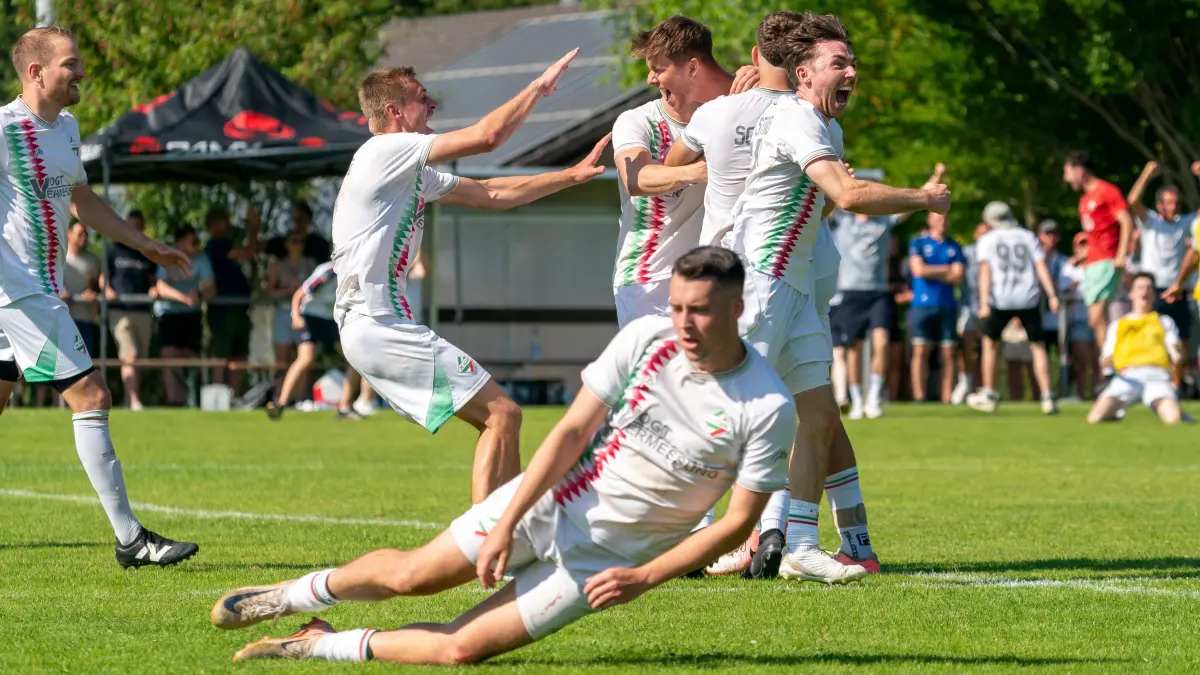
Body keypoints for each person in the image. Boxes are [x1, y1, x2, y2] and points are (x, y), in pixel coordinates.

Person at [211, 247, 798, 665]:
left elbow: (736, 523)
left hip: (601, 563)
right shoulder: (647, 339)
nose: (684, 324)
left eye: (699, 310)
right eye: (676, 307)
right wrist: (506, 519)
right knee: (413, 576)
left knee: (459, 649)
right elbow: (570, 433)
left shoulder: (768, 405)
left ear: (736, 308)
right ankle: (290, 597)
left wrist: (644, 577)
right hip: (547, 505)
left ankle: (316, 643)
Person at [727, 12, 949, 583]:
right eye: (838, 63)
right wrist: (923, 198)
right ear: (803, 74)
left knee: (820, 415)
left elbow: (822, 205)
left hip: (796, 288)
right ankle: (693, 531)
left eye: (853, 63)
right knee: (727, 415)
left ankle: (801, 544)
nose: (852, 72)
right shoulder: (796, 118)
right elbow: (848, 196)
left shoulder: (827, 127)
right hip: (762, 283)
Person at [330, 55, 607, 503]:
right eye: (422, 99)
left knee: (502, 417)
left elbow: (492, 193)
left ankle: (498, 533)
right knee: (503, 414)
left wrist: (570, 175)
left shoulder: (403, 169)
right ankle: (489, 535)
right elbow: (487, 137)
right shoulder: (386, 151)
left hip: (373, 326)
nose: (433, 106)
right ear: (394, 112)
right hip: (378, 324)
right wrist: (537, 87)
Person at [0, 26, 197, 566]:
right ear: (36, 72)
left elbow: (81, 201)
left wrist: (145, 244)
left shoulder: (66, 127)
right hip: (21, 294)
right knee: (91, 395)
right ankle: (132, 540)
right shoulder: (3, 129)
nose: (82, 73)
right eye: (71, 64)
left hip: (29, 293)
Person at [661, 11, 839, 576]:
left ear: (755, 55)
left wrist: (715, 163)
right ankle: (770, 532)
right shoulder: (819, 121)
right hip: (797, 266)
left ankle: (716, 532)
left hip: (739, 265)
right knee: (790, 408)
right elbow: (829, 201)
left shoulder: (717, 111)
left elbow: (666, 171)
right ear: (803, 64)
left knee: (745, 404)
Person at [610, 16, 741, 327]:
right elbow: (637, 178)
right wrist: (703, 171)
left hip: (713, 281)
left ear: (692, 68)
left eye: (658, 69)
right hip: (647, 282)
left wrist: (757, 75)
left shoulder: (737, 108)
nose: (650, 80)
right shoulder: (636, 121)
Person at [829, 164, 945, 420]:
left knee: (881, 342)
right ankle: (856, 399)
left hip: (878, 292)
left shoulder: (883, 221)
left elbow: (915, 201)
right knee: (853, 349)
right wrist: (838, 174)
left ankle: (874, 397)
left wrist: (936, 177)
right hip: (850, 292)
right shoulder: (842, 220)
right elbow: (827, 193)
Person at [964, 202, 1060, 414]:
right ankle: (1047, 396)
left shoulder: (988, 239)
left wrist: (983, 303)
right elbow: (1040, 266)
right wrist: (1052, 295)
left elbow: (985, 272)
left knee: (990, 342)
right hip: (1028, 297)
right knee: (1037, 346)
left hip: (1002, 298)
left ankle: (989, 392)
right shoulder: (1027, 236)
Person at [267, 261, 372, 420]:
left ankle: (344, 407)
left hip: (330, 319)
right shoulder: (329, 271)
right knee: (306, 359)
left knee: (354, 359)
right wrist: (296, 317)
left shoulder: (358, 275)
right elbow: (299, 294)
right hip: (309, 316)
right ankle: (280, 404)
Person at [1127, 160, 1195, 390]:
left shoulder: (1185, 223)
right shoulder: (1150, 222)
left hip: (1176, 289)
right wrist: (1147, 173)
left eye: (1176, 203)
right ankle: (1151, 384)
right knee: (1151, 338)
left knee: (1181, 341)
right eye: (1168, 203)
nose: (1173, 207)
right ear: (1159, 205)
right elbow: (1132, 201)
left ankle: (1175, 387)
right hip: (1153, 289)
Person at [1088, 273, 1186, 424]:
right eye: (1140, 288)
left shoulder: (1164, 321)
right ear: (1131, 293)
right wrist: (1108, 362)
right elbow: (1106, 358)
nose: (1144, 291)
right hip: (1127, 377)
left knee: (1174, 420)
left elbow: (1177, 355)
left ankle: (1170, 407)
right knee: (1095, 418)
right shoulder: (1117, 325)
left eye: (1148, 288)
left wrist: (1177, 352)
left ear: (1154, 294)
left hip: (1157, 377)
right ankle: (1116, 411)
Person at [1063, 151, 1134, 359]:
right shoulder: (1085, 200)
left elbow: (1126, 221)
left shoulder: (1107, 191)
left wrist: (1121, 255)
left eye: (1067, 172)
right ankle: (1113, 361)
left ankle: (1112, 364)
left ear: (1079, 171)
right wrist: (1082, 256)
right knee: (1096, 320)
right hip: (1092, 263)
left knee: (1096, 317)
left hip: (1107, 261)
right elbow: (1095, 233)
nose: (1066, 178)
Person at [152, 226, 215, 405]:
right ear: (180, 243)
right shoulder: (167, 257)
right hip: (169, 313)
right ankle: (174, 400)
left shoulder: (202, 259)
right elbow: (160, 286)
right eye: (192, 241)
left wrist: (199, 295)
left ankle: (191, 399)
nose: (196, 244)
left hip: (192, 315)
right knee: (169, 354)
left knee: (190, 355)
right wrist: (183, 298)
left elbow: (210, 288)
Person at [100, 209, 156, 410]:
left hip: (143, 311)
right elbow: (103, 278)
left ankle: (129, 400)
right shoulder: (113, 249)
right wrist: (107, 290)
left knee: (139, 359)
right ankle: (133, 400)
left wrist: (154, 289)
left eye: (139, 227)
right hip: (120, 311)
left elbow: (153, 280)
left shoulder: (146, 252)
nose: (135, 231)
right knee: (129, 356)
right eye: (131, 226)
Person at [908, 212, 964, 403]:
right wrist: (947, 269)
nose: (943, 221)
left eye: (946, 218)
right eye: (938, 217)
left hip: (947, 304)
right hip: (922, 305)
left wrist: (930, 270)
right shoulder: (918, 242)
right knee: (920, 350)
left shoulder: (954, 245)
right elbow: (918, 270)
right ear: (929, 220)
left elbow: (959, 276)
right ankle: (919, 396)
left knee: (948, 352)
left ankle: (947, 398)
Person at [203, 205, 260, 393]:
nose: (227, 225)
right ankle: (218, 395)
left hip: (240, 307)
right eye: (222, 221)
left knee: (239, 354)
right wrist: (253, 226)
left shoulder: (227, 243)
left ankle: (234, 396)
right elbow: (249, 251)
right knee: (221, 353)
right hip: (223, 309)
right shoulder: (215, 245)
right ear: (212, 225)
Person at [265, 232, 316, 383]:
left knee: (306, 360)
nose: (297, 244)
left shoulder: (311, 264)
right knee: (282, 362)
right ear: (286, 244)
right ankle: (280, 394)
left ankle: (305, 396)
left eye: (300, 240)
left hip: (306, 313)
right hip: (283, 312)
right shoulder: (278, 265)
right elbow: (269, 291)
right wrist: (288, 291)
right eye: (293, 240)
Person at [950, 221, 991, 404]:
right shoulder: (966, 252)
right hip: (968, 305)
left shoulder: (994, 254)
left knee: (990, 347)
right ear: (975, 235)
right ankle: (965, 382)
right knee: (967, 345)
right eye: (981, 233)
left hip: (991, 306)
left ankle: (987, 387)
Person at [265, 201, 332, 262]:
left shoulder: (319, 245)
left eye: (301, 219)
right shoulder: (281, 243)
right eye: (295, 219)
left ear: (308, 220)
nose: (298, 223)